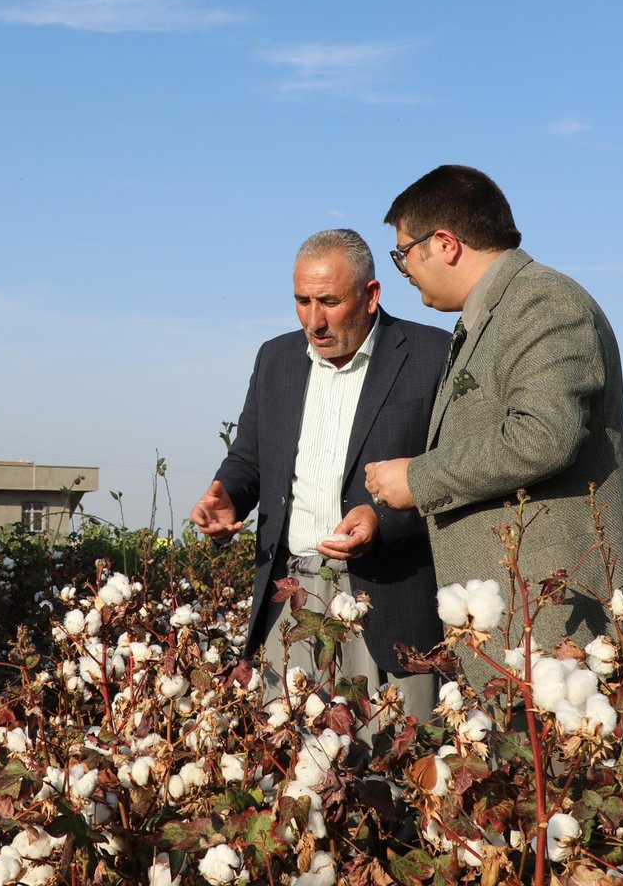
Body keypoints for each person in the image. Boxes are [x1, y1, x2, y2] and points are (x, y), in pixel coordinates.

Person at [362, 166, 623, 687]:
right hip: (528, 620)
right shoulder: (488, 315)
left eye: (402, 254)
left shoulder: (541, 301)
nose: (404, 269)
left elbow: (542, 435)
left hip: (564, 623)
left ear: (443, 244)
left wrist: (417, 478)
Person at [191, 229, 452, 719]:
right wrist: (227, 494)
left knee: (396, 769)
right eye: (302, 301)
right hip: (289, 596)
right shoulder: (276, 360)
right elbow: (249, 458)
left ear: (372, 296)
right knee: (296, 766)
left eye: (329, 301)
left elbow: (456, 476)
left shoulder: (433, 355)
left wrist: (384, 521)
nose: (315, 319)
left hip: (389, 597)